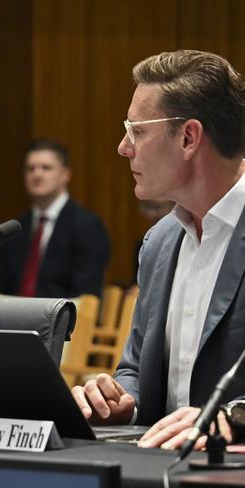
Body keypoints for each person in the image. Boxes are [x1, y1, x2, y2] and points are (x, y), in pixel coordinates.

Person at [72, 50, 245, 450]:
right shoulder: (160, 241)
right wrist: (122, 399)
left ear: (188, 138)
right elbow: (134, 367)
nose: (123, 147)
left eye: (136, 130)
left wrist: (233, 416)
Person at [0, 139, 110, 298]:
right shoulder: (16, 227)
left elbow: (87, 293)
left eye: (46, 168)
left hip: (65, 318)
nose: (37, 174)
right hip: (13, 318)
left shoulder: (87, 226)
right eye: (30, 169)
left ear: (65, 174)